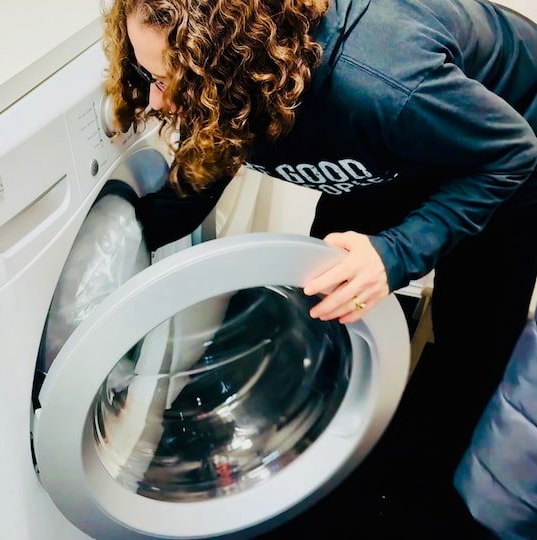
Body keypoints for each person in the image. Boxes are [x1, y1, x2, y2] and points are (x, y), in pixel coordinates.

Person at [102, 0, 537, 528]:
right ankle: (326, 448)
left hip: (507, 142)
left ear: (230, 62)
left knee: (472, 330)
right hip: (391, 146)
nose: (158, 100)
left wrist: (395, 252)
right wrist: (126, 240)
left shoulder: (377, 84)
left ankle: (443, 494)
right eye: (148, 76)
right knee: (328, 293)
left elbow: (512, 151)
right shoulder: (242, 78)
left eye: (171, 79)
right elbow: (215, 151)